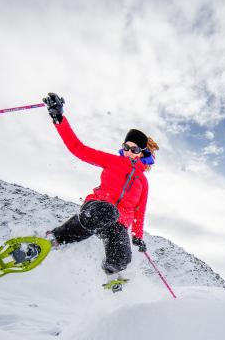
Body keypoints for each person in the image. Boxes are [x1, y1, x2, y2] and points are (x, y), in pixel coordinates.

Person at [42, 92, 158, 281]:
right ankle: (55, 238)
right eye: (126, 147)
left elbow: (139, 211)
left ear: (142, 153)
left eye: (134, 149)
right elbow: (78, 148)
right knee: (108, 211)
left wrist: (137, 236)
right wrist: (59, 119)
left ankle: (110, 277)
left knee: (123, 258)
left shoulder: (143, 182)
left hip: (117, 223)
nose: (128, 152)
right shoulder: (113, 161)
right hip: (97, 208)